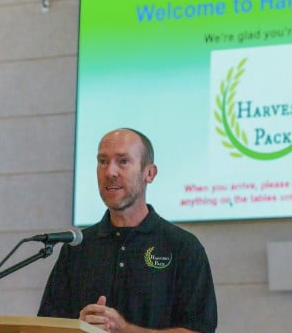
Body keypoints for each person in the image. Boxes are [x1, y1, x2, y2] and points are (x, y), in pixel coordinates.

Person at [38, 128, 217, 333]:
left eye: (123, 161)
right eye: (103, 161)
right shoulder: (77, 247)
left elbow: (199, 330)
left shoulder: (182, 246)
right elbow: (47, 326)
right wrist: (77, 326)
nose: (109, 172)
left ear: (149, 173)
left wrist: (125, 330)